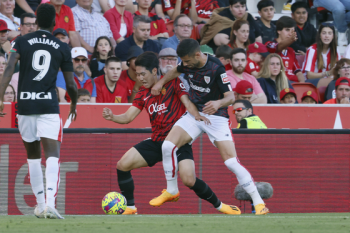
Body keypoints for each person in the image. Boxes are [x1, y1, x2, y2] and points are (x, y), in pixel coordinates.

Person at [102, 51, 240, 215]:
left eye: (142, 74)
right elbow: (127, 117)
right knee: (122, 165)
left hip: (178, 142)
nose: (139, 78)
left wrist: (197, 115)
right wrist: (112, 117)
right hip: (157, 142)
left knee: (189, 180)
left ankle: (220, 206)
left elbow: (186, 101)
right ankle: (130, 208)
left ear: (154, 71)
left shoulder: (173, 83)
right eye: (137, 74)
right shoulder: (142, 94)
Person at [150, 39, 269, 215]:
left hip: (216, 116)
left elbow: (230, 97)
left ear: (197, 55)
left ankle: (259, 203)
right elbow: (176, 70)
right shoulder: (187, 63)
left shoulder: (216, 68)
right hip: (195, 113)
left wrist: (218, 102)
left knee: (231, 162)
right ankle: (172, 191)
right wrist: (160, 83)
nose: (186, 65)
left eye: (188, 61)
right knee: (167, 145)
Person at [0, 3, 77, 219]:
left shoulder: (21, 41)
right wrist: (74, 102)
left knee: (32, 157)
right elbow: (70, 84)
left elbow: (8, 68)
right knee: (53, 154)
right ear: (54, 22)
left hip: (24, 104)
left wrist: (0, 96)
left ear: (36, 19)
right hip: (48, 105)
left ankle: (40, 204)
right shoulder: (62, 47)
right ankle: (51, 203)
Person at [265, 16, 305, 83]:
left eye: (292, 30)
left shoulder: (291, 50)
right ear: (279, 31)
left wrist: (302, 84)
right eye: (287, 30)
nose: (290, 33)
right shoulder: (269, 44)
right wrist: (290, 40)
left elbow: (298, 72)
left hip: (294, 83)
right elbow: (279, 47)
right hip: (280, 82)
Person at [302, 23, 340, 88]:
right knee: (334, 82)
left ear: (333, 36)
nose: (326, 36)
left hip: (329, 80)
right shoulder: (312, 50)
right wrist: (327, 73)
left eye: (329, 33)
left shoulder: (335, 50)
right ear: (319, 35)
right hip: (310, 81)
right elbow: (309, 75)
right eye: (324, 33)